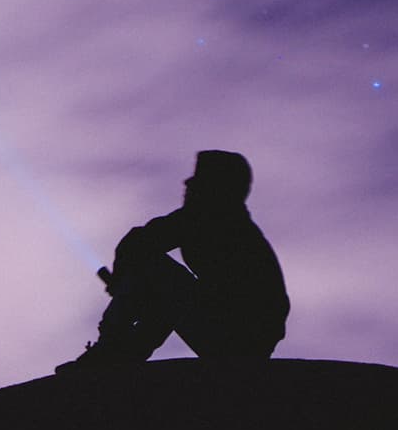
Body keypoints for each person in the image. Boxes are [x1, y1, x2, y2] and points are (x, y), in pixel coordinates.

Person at [56, 150, 289, 373]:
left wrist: (123, 284)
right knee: (164, 289)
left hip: (238, 339)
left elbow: (138, 243)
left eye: (198, 181)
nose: (187, 185)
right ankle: (120, 352)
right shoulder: (225, 222)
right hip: (240, 337)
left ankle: (113, 350)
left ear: (216, 188)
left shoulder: (213, 218)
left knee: (156, 273)